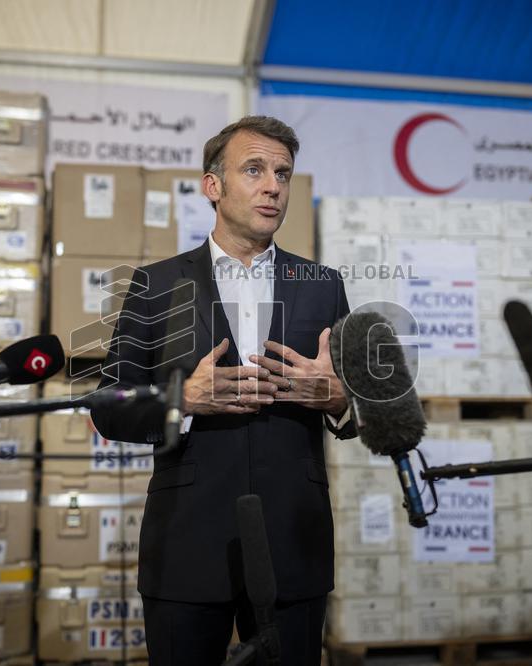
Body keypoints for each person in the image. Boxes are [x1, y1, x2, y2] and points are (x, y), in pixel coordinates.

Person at [90, 116, 357, 665]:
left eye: (282, 173)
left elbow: (357, 409)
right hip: (189, 543)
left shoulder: (324, 285)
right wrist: (181, 400)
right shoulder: (155, 285)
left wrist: (334, 397)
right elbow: (107, 406)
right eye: (254, 169)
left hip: (294, 541)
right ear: (213, 186)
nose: (272, 186)